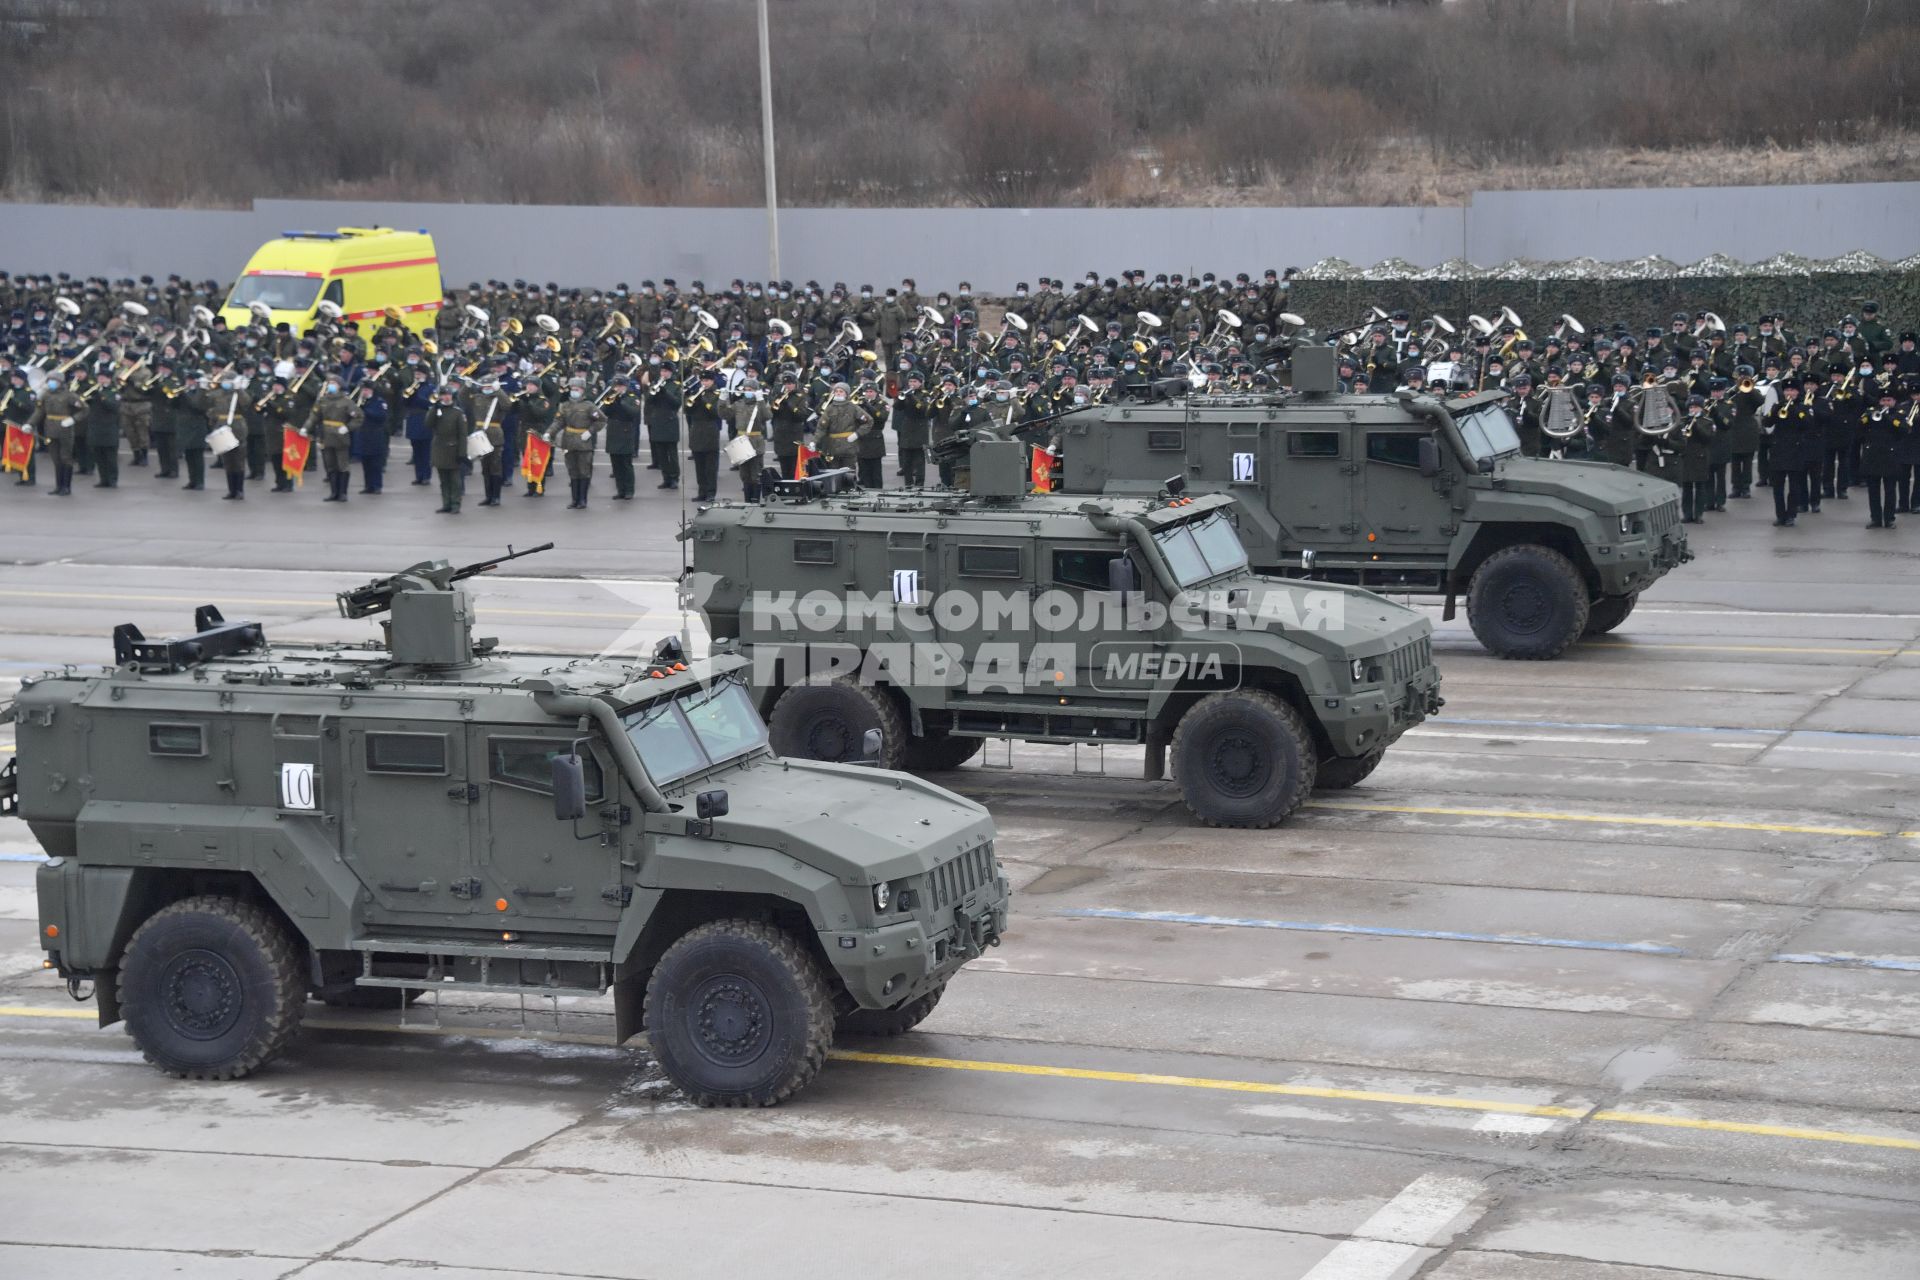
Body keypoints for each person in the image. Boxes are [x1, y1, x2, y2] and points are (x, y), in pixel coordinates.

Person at [303, 374, 363, 503]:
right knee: (330, 466)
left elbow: (358, 417)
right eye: (330, 383)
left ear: (340, 386)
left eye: (334, 383)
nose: (331, 385)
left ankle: (343, 493)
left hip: (340, 437)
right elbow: (314, 416)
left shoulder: (346, 401)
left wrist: (347, 427)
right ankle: (333, 492)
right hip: (326, 436)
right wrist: (306, 428)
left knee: (342, 466)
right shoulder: (323, 400)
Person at [551, 375, 605, 509]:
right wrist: (549, 432)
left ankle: (583, 500)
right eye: (572, 389)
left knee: (584, 471)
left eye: (576, 389)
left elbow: (602, 420)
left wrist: (590, 431)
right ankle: (574, 499)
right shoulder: (565, 405)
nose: (573, 391)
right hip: (568, 441)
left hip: (583, 442)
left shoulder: (589, 406)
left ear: (582, 390)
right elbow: (558, 422)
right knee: (572, 471)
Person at [1766, 377, 1813, 527]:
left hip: (1796, 450)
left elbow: (1808, 425)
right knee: (1777, 486)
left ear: (1798, 392)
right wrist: (1775, 411)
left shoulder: (1803, 407)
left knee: (1794, 486)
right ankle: (1780, 515)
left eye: (1792, 390)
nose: (1789, 393)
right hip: (1779, 449)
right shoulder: (1778, 406)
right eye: (1787, 390)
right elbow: (1767, 423)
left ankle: (1791, 514)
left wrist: (1795, 410)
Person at [27, 371, 80, 496]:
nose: (51, 383)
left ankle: (66, 487)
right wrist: (30, 423)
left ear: (60, 382)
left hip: (65, 429)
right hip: (50, 429)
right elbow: (39, 412)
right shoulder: (46, 395)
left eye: (54, 380)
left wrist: (73, 419)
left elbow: (84, 409)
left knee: (66, 458)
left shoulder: (69, 395)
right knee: (56, 459)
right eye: (50, 380)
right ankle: (58, 486)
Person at [1858, 384, 1904, 529]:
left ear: (1894, 401)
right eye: (1883, 400)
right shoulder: (1871, 412)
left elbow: (1904, 429)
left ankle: (1889, 518)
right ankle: (1875, 518)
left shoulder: (1899, 414)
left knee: (1890, 489)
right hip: (1873, 455)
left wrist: (1889, 419)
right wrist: (1869, 417)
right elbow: (1860, 426)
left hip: (1890, 455)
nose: (1885, 403)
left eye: (1889, 400)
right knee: (1873, 490)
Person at [425, 383, 469, 514]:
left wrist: (462, 453)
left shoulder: (457, 412)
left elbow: (462, 435)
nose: (446, 397)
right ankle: (446, 503)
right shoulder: (437, 410)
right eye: (443, 395)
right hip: (439, 448)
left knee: (455, 480)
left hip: (453, 448)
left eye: (448, 395)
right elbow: (428, 424)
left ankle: (455, 504)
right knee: (443, 480)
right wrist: (434, 408)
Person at [684, 368, 725, 501]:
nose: (704, 383)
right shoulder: (697, 393)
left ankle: (711, 493)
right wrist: (690, 399)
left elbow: (716, 412)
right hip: (696, 430)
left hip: (710, 431)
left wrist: (704, 401)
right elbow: (687, 411)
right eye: (702, 380)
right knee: (699, 466)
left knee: (710, 467)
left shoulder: (717, 393)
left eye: (706, 380)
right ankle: (701, 492)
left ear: (712, 381)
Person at [727, 376, 768, 501]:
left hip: (755, 441)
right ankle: (747, 501)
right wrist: (722, 400)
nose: (747, 391)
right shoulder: (739, 404)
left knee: (755, 474)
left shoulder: (759, 404)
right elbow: (724, 414)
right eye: (746, 389)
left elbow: (767, 416)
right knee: (744, 474)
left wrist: (761, 400)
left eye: (750, 389)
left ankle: (755, 502)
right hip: (741, 440)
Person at [602, 378, 641, 499]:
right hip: (613, 431)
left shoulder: (632, 397)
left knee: (626, 464)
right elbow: (604, 411)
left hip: (625, 431)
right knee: (616, 464)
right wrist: (611, 402)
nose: (617, 388)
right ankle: (620, 490)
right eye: (616, 386)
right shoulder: (612, 397)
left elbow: (633, 413)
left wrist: (621, 403)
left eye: (619, 386)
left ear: (625, 386)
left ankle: (629, 490)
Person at [82, 368, 121, 487]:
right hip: (95, 426)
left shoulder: (114, 391)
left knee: (110, 457)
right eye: (99, 377)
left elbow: (113, 406)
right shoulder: (94, 390)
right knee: (98, 455)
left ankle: (112, 479)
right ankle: (103, 479)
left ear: (109, 379)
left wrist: (101, 397)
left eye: (102, 378)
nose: (100, 380)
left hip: (109, 427)